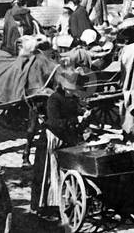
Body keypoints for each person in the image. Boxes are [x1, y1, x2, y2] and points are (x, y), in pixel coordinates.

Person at [31, 82, 82, 220]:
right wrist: (75, 120)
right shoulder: (54, 99)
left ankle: (60, 202)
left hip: (65, 137)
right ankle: (45, 207)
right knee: (49, 173)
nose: (74, 90)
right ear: (64, 87)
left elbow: (77, 113)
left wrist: (84, 116)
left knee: (62, 172)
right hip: (52, 138)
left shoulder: (72, 98)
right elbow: (54, 123)